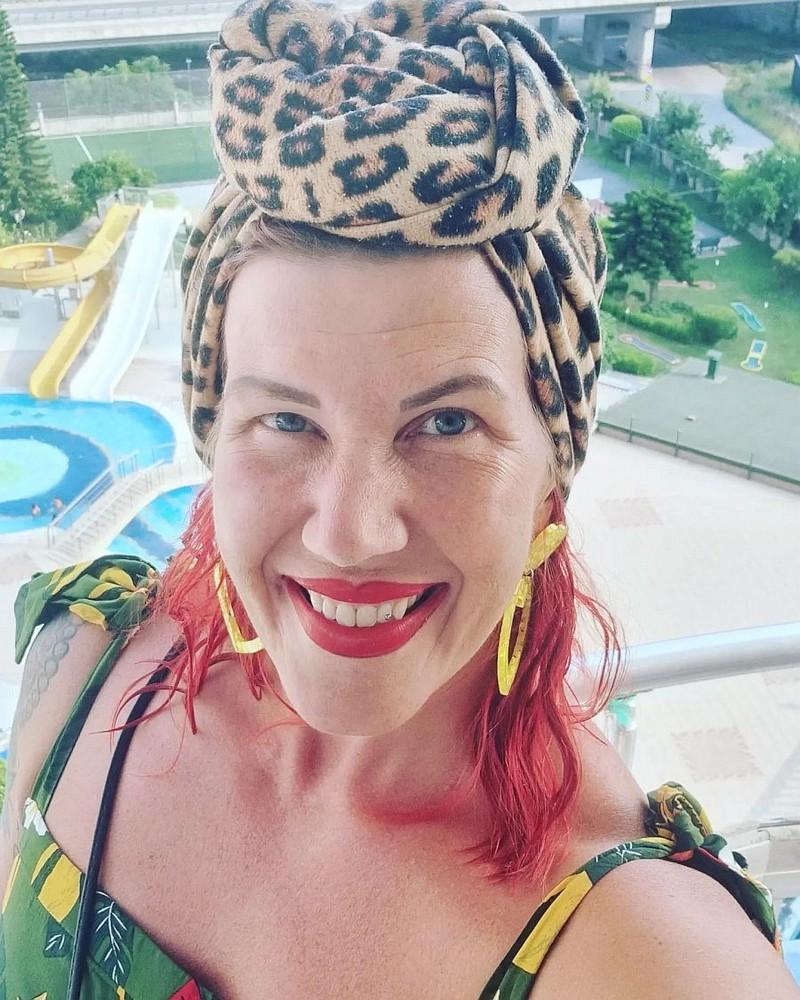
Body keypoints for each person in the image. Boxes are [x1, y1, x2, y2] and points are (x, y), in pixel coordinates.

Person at [0, 2, 796, 998]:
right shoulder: (81, 664)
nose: (350, 532)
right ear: (216, 434)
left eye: (446, 424)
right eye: (286, 421)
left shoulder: (659, 961)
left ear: (548, 480)